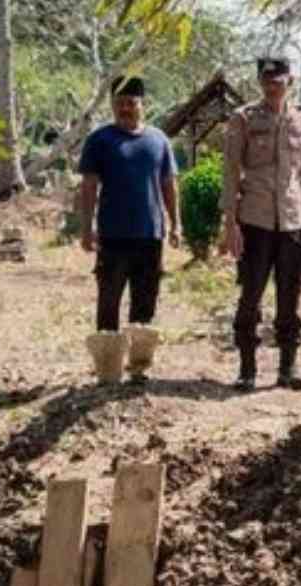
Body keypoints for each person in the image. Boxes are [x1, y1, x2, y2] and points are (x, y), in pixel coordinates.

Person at [220, 57, 301, 392]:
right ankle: (247, 370)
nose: (272, 86)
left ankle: (287, 368)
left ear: (290, 81)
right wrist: (230, 224)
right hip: (255, 220)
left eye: (278, 81)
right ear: (260, 82)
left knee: (290, 297)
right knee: (250, 296)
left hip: (291, 223)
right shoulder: (244, 119)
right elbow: (231, 171)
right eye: (266, 81)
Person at [77, 76, 180, 384]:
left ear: (141, 104)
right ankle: (108, 369)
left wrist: (176, 224)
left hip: (150, 236)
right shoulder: (100, 140)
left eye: (131, 103)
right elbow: (89, 186)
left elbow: (169, 184)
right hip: (113, 236)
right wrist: (86, 228)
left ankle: (139, 366)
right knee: (108, 301)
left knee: (145, 301)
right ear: (112, 105)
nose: (125, 108)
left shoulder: (159, 140)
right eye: (120, 103)